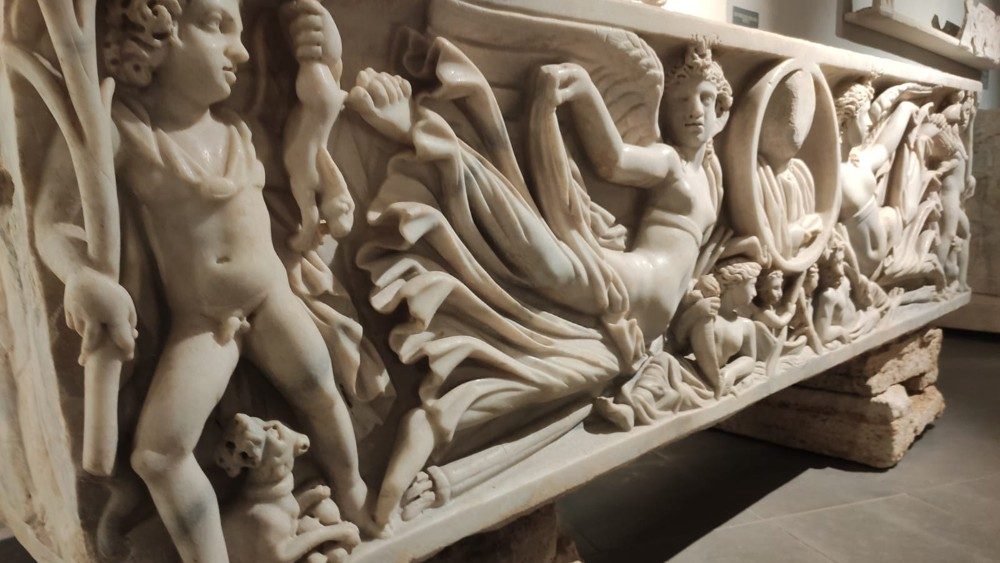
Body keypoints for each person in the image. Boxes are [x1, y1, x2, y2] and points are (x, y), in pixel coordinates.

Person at [348, 37, 758, 530]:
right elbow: (611, 160)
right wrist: (582, 91)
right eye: (683, 100)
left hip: (631, 336)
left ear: (723, 114)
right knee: (543, 260)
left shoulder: (711, 178)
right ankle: (426, 137)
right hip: (623, 285)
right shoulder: (669, 162)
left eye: (706, 100)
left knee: (536, 380)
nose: (694, 111)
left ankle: (437, 427)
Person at [34, 0, 377, 559]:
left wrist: (326, 59)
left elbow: (312, 130)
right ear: (155, 34)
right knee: (157, 456)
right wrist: (81, 276)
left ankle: (356, 493)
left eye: (240, 32)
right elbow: (53, 219)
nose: (239, 51)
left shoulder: (239, 129)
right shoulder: (119, 129)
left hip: (273, 300)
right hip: (204, 322)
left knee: (321, 393)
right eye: (217, 26)